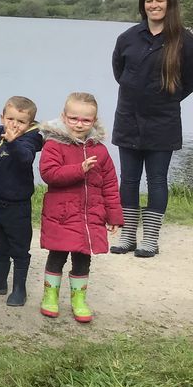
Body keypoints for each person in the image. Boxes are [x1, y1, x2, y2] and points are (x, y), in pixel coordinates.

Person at [110, 0, 193, 258]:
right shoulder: (128, 37)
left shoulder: (184, 41)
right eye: (149, 0)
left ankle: (150, 239)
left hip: (163, 121)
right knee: (128, 179)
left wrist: (165, 98)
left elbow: (189, 81)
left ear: (169, 4)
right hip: (128, 118)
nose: (153, 5)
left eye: (159, 0)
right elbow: (119, 72)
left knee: (157, 180)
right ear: (142, 5)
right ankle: (128, 236)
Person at [38, 93, 123, 323]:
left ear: (94, 121)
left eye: (86, 120)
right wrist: (79, 169)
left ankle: (79, 300)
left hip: (90, 217)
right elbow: (49, 174)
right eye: (73, 118)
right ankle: (50, 297)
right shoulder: (53, 145)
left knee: (83, 258)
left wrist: (114, 215)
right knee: (57, 256)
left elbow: (110, 184)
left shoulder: (101, 150)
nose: (79, 124)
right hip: (62, 215)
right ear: (64, 116)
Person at [0, 96, 42, 306]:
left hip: (18, 205)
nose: (14, 125)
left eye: (21, 122)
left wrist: (13, 143)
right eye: (10, 119)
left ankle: (19, 289)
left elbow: (26, 158)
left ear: (29, 124)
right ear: (2, 117)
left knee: (19, 247)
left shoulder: (28, 140)